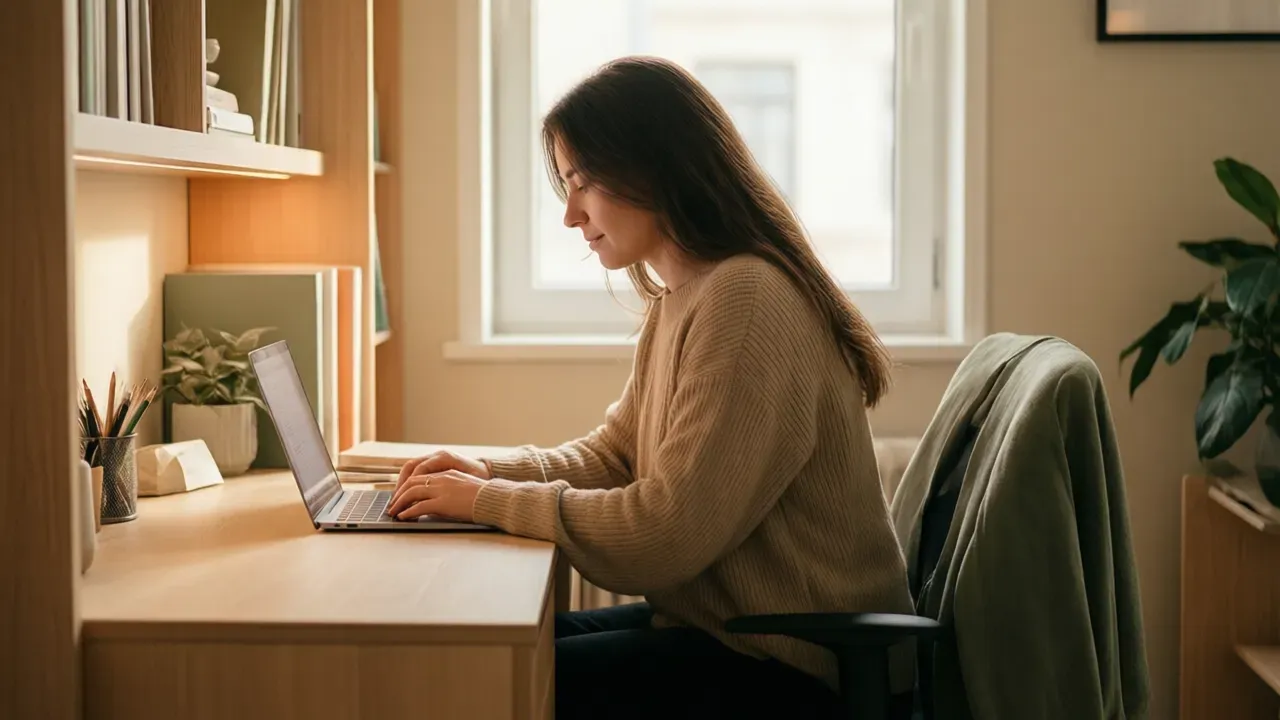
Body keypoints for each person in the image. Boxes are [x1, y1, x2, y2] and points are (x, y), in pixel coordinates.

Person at [388, 55, 915, 718]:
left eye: (584, 183)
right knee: (469, 658)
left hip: (795, 667)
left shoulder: (746, 301)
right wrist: (487, 471)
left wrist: (490, 500)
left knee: (474, 686)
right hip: (728, 637)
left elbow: (665, 534)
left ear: (655, 169)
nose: (571, 215)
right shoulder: (684, 296)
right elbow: (615, 456)